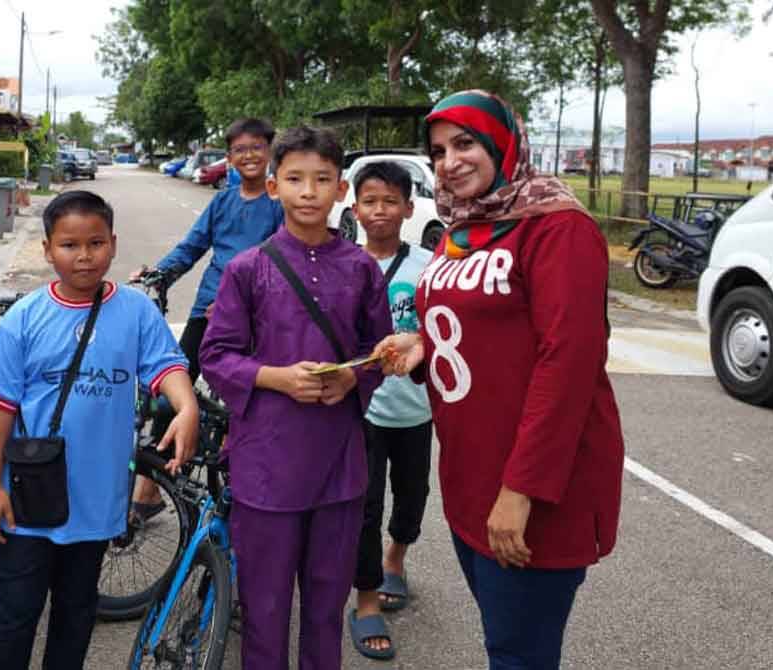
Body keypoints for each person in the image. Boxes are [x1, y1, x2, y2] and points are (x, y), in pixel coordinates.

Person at [374, 90, 625, 669]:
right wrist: (423, 343)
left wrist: (522, 491)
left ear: (502, 143)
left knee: (518, 654)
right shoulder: (466, 229)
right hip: (471, 476)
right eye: (437, 151)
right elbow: (482, 323)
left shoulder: (556, 228)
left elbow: (568, 363)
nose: (449, 162)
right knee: (501, 641)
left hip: (533, 491)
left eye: (465, 143)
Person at [0, 190, 198, 670]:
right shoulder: (24, 319)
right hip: (28, 499)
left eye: (95, 243)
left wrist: (186, 406)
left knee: (76, 614)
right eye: (69, 245)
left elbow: (166, 367)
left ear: (113, 245)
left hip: (97, 501)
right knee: (12, 616)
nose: (84, 256)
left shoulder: (136, 312)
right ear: (48, 249)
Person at [200, 126, 393, 670]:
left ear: (341, 189)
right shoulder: (247, 269)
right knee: (263, 609)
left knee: (326, 609)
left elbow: (376, 351)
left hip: (339, 467)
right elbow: (217, 355)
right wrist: (275, 377)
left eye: (322, 179)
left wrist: (356, 378)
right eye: (295, 179)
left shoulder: (361, 269)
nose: (309, 191)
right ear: (275, 185)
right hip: (266, 466)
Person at [128, 117, 283, 520]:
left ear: (270, 152)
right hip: (206, 308)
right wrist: (159, 273)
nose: (248, 156)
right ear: (229, 158)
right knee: (169, 388)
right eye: (239, 150)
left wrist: (243, 302)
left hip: (256, 317)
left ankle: (240, 494)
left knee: (242, 404)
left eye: (256, 148)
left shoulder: (280, 204)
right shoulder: (222, 202)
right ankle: (151, 487)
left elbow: (283, 264)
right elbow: (192, 246)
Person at [345, 162, 434, 661]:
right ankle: (365, 598)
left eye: (390, 201)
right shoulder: (342, 264)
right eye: (370, 201)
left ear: (408, 208)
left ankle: (396, 557)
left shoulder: (428, 266)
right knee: (364, 504)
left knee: (413, 495)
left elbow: (443, 331)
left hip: (416, 410)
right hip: (362, 410)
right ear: (354, 209)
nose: (379, 211)